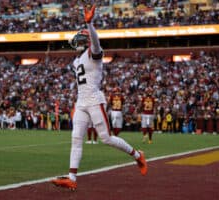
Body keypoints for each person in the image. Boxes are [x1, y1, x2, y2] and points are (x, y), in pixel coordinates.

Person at [51, 5, 147, 190]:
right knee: (76, 138)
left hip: (95, 100)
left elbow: (95, 43)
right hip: (81, 102)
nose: (76, 41)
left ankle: (137, 155)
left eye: (80, 38)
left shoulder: (94, 54)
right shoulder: (77, 61)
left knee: (106, 138)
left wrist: (90, 23)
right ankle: (72, 178)